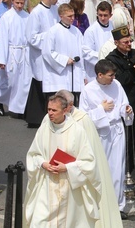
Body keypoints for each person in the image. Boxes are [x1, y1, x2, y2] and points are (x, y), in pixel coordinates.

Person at [51, 90, 124, 227]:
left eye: (61, 105)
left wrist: (70, 167)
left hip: (75, 173)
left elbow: (88, 153)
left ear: (70, 105)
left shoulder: (82, 120)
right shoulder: (52, 117)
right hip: (55, 170)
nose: (54, 110)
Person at [24, 95, 100, 227]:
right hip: (46, 186)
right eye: (48, 109)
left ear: (65, 110)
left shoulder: (77, 131)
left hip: (69, 188)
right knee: (39, 222)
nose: (50, 113)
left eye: (54, 110)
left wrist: (68, 168)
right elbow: (33, 154)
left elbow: (89, 162)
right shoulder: (44, 128)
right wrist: (43, 163)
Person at [80, 59, 134, 220]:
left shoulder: (116, 85)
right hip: (99, 132)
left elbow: (124, 104)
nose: (113, 78)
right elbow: (82, 117)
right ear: (100, 75)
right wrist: (100, 110)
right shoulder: (88, 90)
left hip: (116, 130)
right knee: (99, 168)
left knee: (117, 168)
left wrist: (127, 110)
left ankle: (118, 206)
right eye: (110, 75)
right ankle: (98, 204)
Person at [105, 26, 135, 174]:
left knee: (132, 140)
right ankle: (122, 170)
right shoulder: (111, 59)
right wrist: (134, 70)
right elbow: (119, 80)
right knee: (122, 141)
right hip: (122, 103)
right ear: (116, 42)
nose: (129, 44)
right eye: (125, 42)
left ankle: (129, 170)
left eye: (130, 41)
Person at [24, 0, 60, 128]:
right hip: (40, 56)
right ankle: (36, 117)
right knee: (40, 85)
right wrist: (50, 37)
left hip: (52, 54)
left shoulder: (55, 9)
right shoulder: (36, 13)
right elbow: (31, 37)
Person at [0, 0, 30, 119]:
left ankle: (20, 108)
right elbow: (3, 38)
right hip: (11, 53)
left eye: (21, 2)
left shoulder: (27, 16)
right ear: (12, 1)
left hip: (24, 52)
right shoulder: (6, 17)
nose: (19, 5)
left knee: (24, 82)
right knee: (9, 82)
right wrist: (2, 59)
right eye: (17, 2)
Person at [41, 3, 85, 106]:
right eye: (69, 16)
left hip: (74, 74)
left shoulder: (76, 32)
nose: (72, 18)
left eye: (73, 15)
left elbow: (81, 52)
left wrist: (83, 73)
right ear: (61, 16)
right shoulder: (53, 31)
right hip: (58, 76)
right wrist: (64, 60)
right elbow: (47, 52)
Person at [83, 1, 114, 81]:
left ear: (111, 15)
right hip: (96, 70)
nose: (102, 18)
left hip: (112, 66)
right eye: (100, 15)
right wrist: (104, 57)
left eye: (105, 15)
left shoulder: (114, 26)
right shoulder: (91, 31)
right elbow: (87, 52)